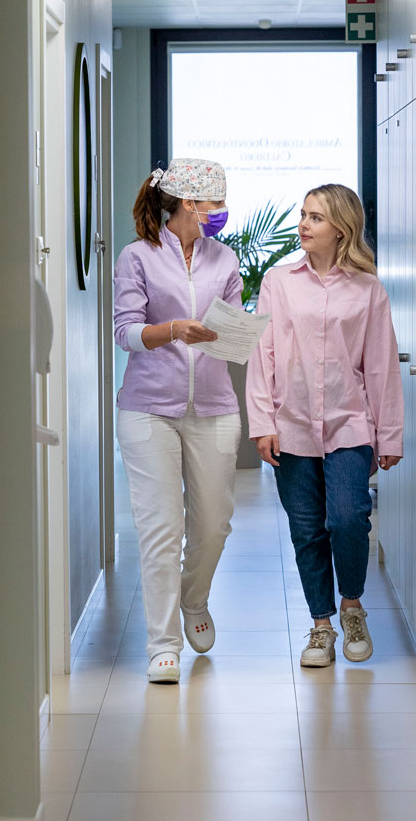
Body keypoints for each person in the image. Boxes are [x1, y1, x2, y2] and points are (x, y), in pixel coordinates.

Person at [246, 183, 404, 668]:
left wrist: (390, 433)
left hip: (349, 424)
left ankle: (352, 606)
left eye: (315, 218)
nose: (303, 225)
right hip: (290, 425)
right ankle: (321, 626)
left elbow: (380, 365)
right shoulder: (278, 282)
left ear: (341, 228)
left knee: (348, 517)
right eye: (303, 216)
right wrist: (261, 422)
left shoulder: (367, 289)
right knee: (308, 530)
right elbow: (261, 355)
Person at [114, 158, 242, 683]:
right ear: (190, 203)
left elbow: (233, 332)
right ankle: (162, 644)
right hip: (148, 409)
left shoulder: (226, 260)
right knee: (160, 528)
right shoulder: (137, 257)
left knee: (213, 524)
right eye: (216, 203)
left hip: (213, 406)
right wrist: (171, 331)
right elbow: (125, 331)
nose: (222, 212)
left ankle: (195, 601)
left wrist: (234, 335)